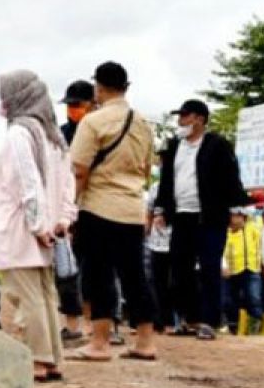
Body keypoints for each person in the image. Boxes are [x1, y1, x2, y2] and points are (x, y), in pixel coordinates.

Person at [0, 70, 76, 381]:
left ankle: (37, 359)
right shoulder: (53, 136)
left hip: (21, 228)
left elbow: (29, 183)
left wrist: (38, 225)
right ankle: (52, 358)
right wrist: (62, 220)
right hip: (46, 227)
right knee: (44, 294)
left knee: (27, 296)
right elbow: (68, 184)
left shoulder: (20, 134)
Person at [69, 61, 158, 361]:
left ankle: (99, 343)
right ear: (126, 86)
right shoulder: (144, 124)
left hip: (99, 206)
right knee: (135, 276)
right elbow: (147, 168)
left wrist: (70, 208)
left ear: (98, 87)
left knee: (98, 274)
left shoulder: (93, 122)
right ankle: (145, 341)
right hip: (133, 207)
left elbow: (79, 170)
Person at [153, 99, 248, 340]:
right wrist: (161, 209)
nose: (180, 121)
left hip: (209, 216)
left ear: (199, 119)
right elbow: (166, 180)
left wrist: (236, 209)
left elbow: (231, 177)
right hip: (182, 215)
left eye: (185, 116)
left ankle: (209, 321)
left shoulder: (217, 145)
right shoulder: (174, 146)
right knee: (179, 269)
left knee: (209, 268)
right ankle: (190, 318)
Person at [58, 79, 96, 340]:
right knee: (67, 269)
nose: (72, 110)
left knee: (95, 267)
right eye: (69, 105)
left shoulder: (101, 132)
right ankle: (72, 323)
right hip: (65, 206)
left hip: (94, 206)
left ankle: (97, 323)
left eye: (77, 105)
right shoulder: (59, 134)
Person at [221, 206, 264, 334]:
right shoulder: (225, 228)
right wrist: (223, 266)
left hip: (252, 268)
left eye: (233, 216)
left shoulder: (257, 224)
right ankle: (235, 326)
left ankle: (257, 324)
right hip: (232, 270)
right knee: (228, 300)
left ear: (241, 216)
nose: (231, 220)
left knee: (254, 297)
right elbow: (221, 248)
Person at [146, 162, 176, 332]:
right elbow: (149, 211)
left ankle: (175, 320)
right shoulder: (155, 188)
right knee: (157, 283)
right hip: (156, 244)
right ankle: (161, 321)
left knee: (174, 283)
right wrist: (147, 228)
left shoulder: (179, 189)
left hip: (176, 243)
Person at [60, 80, 95, 146]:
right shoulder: (61, 134)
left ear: (93, 104)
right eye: (69, 105)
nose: (72, 109)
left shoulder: (104, 131)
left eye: (76, 104)